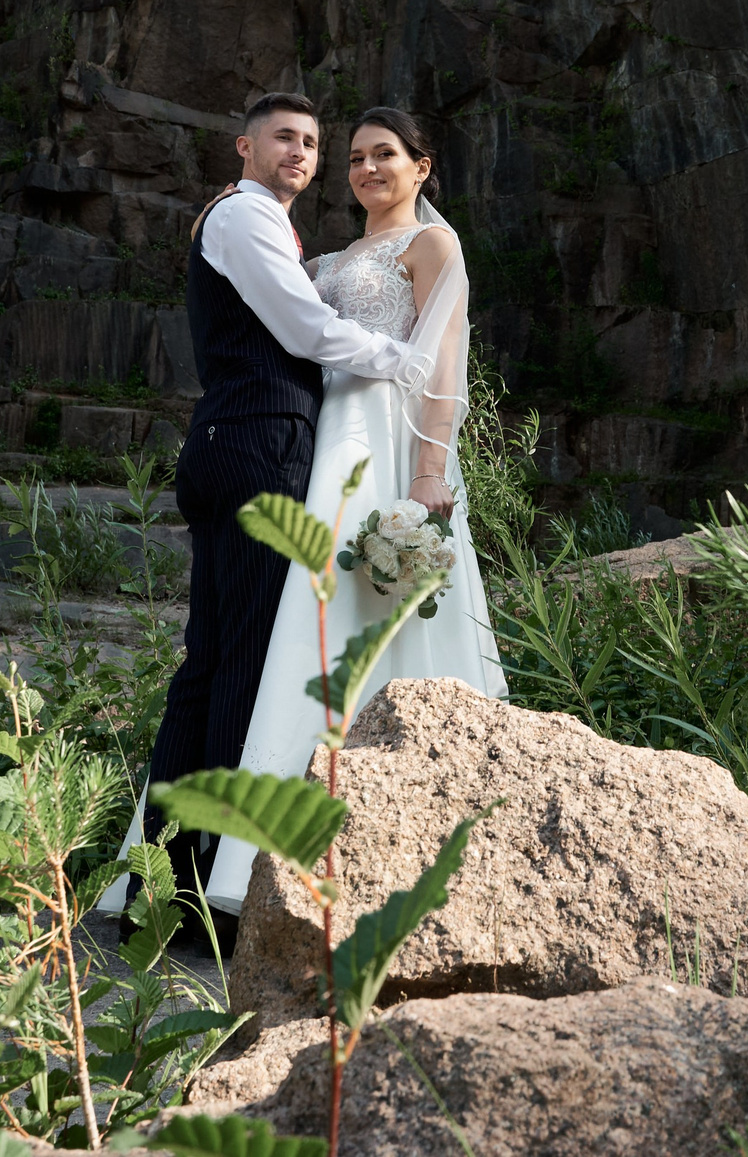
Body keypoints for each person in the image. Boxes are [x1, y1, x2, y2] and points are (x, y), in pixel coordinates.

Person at [109, 91, 421, 951]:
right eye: (285, 137)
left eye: (312, 142)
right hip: (255, 447)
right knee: (237, 668)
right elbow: (306, 328)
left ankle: (161, 887)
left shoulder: (263, 223)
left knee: (210, 667)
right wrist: (406, 360)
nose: (301, 153)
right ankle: (203, 892)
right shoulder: (246, 218)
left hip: (234, 442)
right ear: (243, 146)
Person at [199, 105, 507, 917]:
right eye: (359, 157)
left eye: (386, 154)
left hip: (389, 444)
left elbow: (444, 365)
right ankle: (261, 858)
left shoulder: (433, 245)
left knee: (372, 618)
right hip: (319, 443)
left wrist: (429, 471)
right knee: (303, 624)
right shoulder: (328, 257)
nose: (368, 168)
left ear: (421, 167)